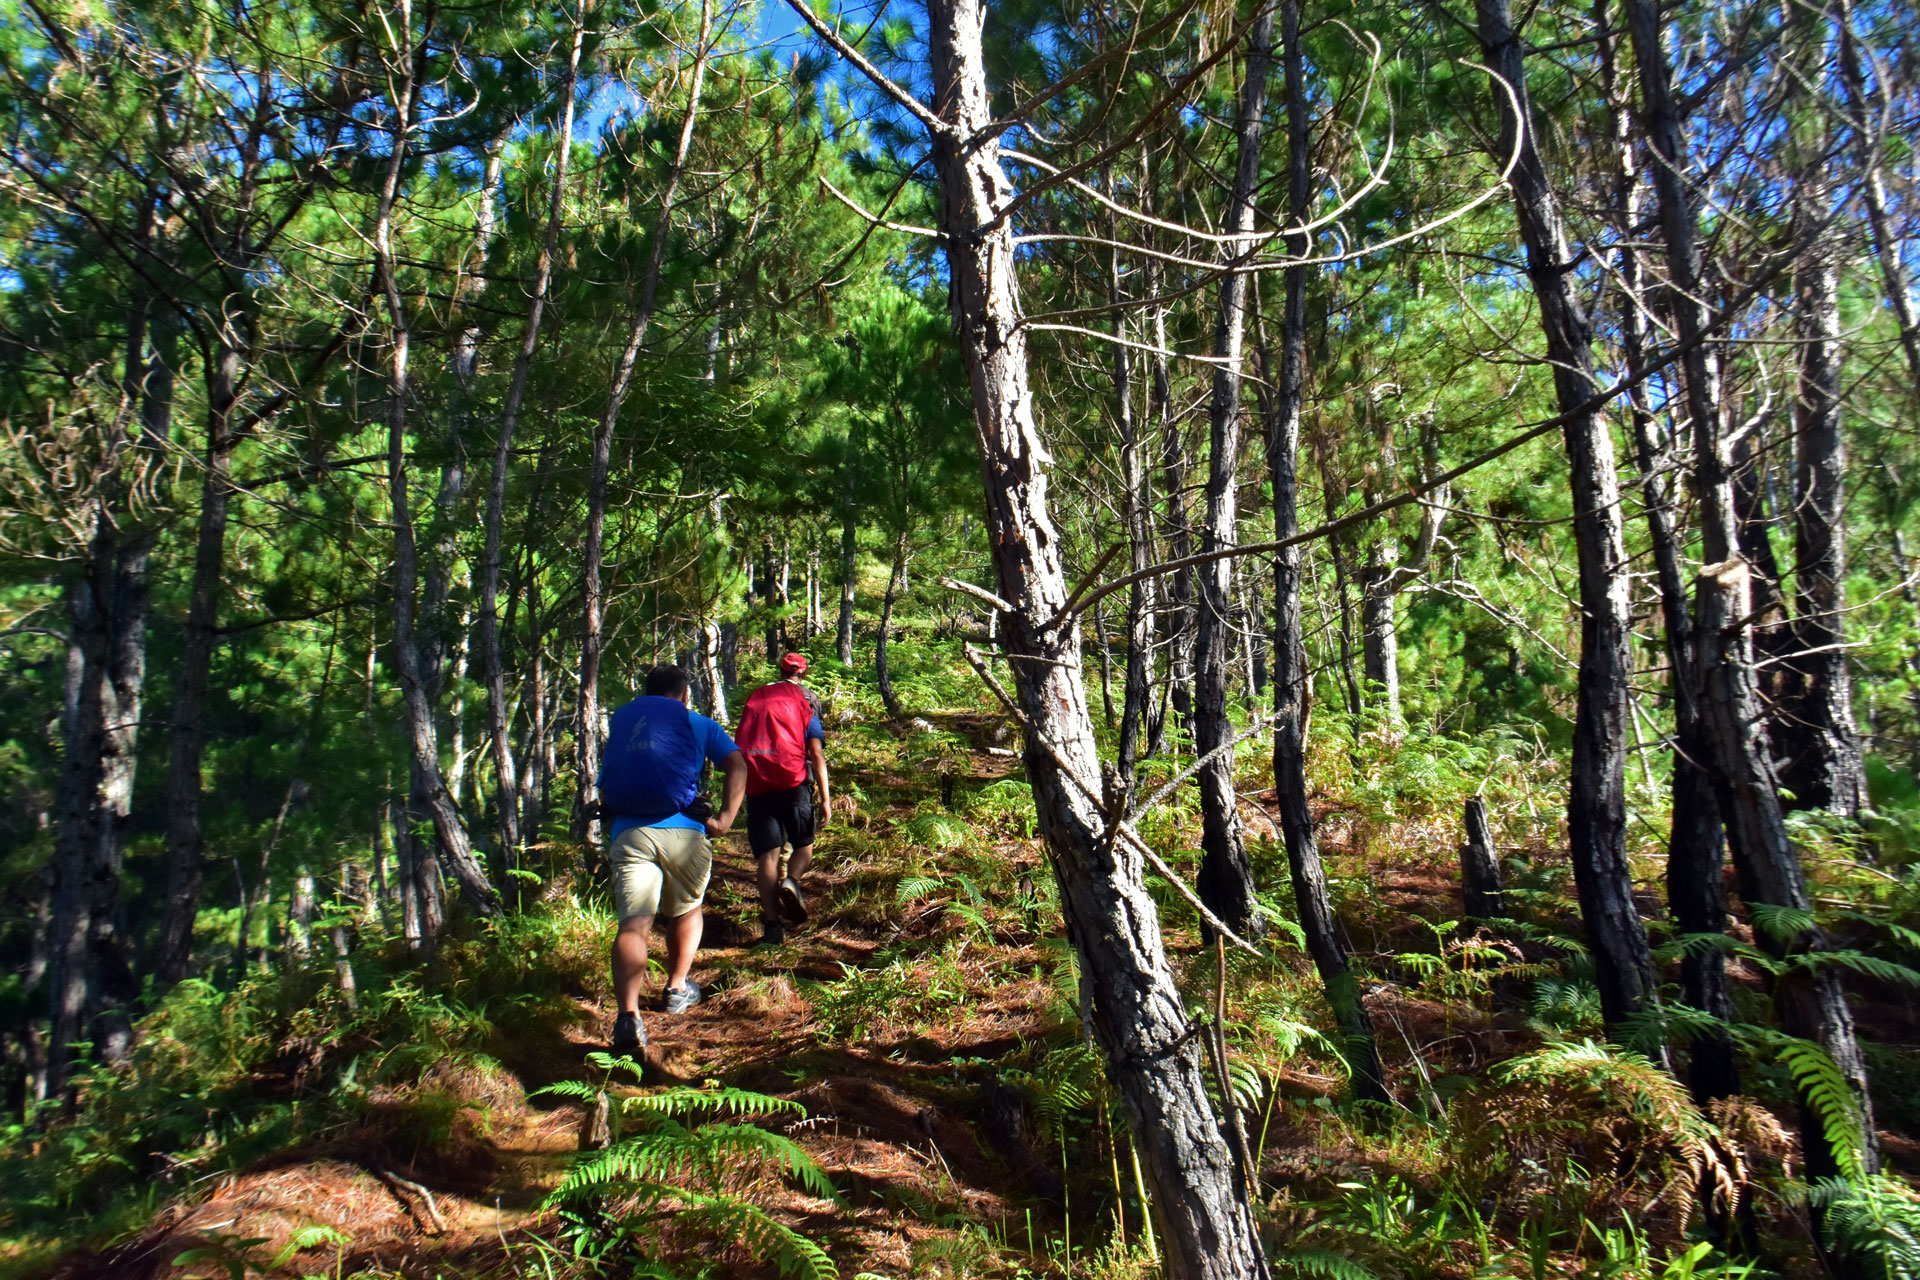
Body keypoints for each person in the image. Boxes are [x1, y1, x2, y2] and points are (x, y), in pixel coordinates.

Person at [597, 663, 746, 1053]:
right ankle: (677, 987)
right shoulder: (699, 724)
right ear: (683, 694)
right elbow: (737, 765)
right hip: (685, 832)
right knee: (686, 909)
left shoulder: (628, 724)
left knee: (634, 925)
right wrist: (725, 820)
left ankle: (628, 1016)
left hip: (630, 832)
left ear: (646, 693)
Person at [735, 653, 830, 945]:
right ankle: (792, 880)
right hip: (794, 781)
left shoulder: (759, 697)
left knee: (768, 855)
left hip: (758, 782)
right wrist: (826, 798)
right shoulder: (806, 700)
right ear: (804, 672)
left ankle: (772, 926)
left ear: (780, 669)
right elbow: (815, 753)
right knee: (803, 845)